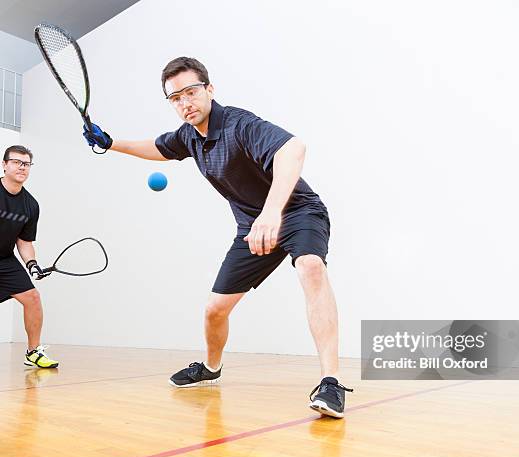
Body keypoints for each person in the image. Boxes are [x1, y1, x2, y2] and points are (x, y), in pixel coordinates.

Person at [83, 57, 352, 417]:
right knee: (214, 311)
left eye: (191, 92)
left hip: (298, 212)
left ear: (209, 90)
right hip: (250, 229)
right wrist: (110, 142)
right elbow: (157, 149)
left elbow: (293, 149)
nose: (185, 103)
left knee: (310, 267)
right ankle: (211, 368)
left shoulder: (239, 123)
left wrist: (272, 213)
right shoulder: (189, 136)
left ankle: (330, 382)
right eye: (175, 98)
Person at [1, 145, 58, 368]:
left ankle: (33, 352)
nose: (21, 167)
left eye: (26, 164)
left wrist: (32, 265)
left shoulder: (30, 205)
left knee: (32, 298)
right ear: (4, 165)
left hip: (4, 259)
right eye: (16, 162)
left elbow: (24, 241)